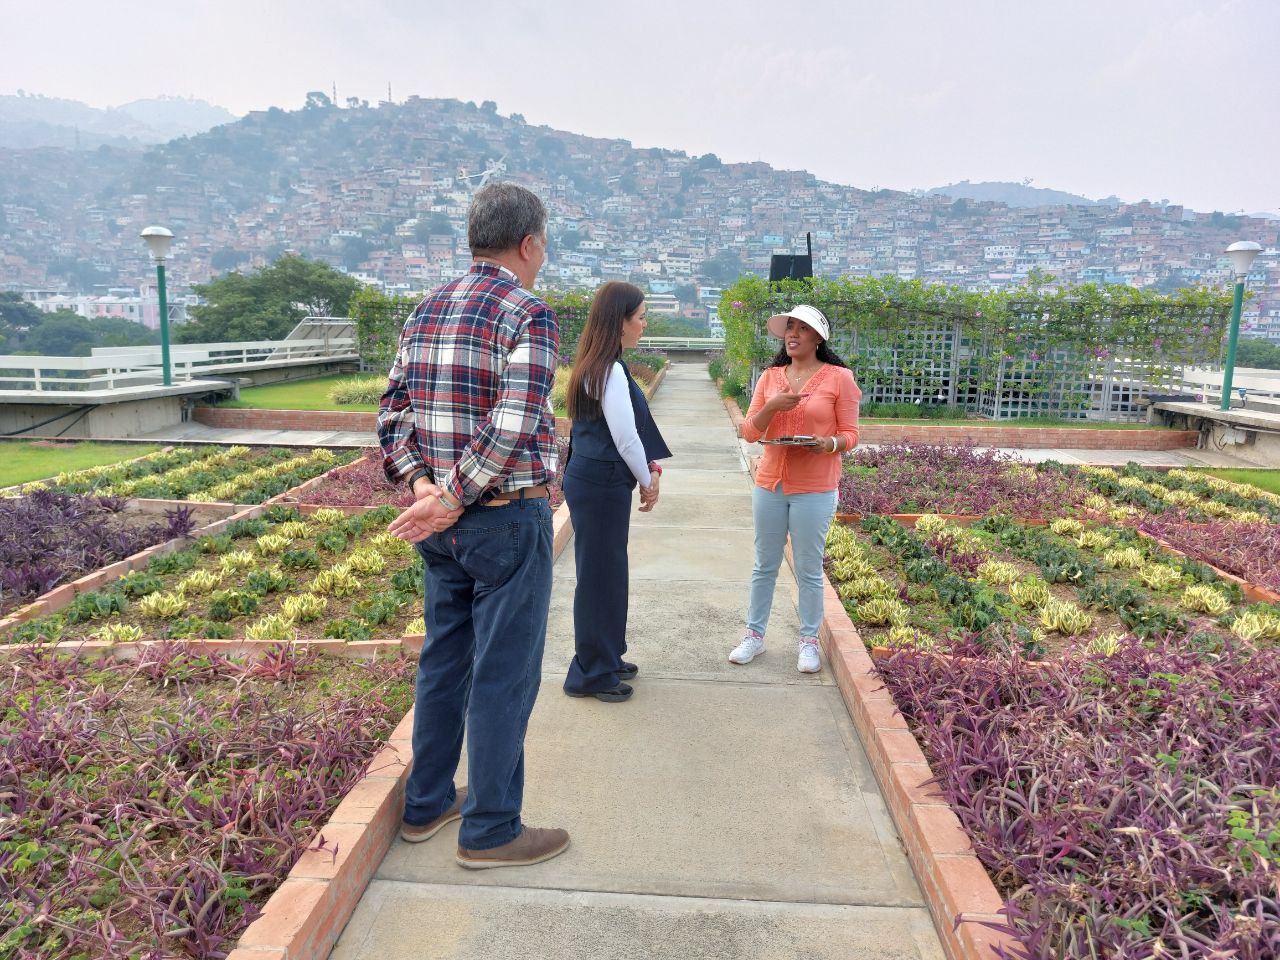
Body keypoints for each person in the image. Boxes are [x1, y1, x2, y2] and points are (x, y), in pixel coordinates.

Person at [378, 182, 569, 870]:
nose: (543, 254)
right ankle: (490, 829)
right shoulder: (529, 314)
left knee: (444, 662)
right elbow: (516, 421)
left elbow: (391, 415)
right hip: (503, 519)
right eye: (543, 242)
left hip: (440, 526)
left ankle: (428, 802)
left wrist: (425, 487)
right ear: (528, 243)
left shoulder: (425, 309)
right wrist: (454, 494)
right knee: (504, 674)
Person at [729, 304, 860, 674]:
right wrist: (772, 407)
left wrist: (829, 444)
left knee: (808, 567)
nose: (793, 334)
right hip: (770, 482)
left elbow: (851, 433)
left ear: (818, 337)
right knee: (764, 563)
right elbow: (750, 432)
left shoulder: (839, 378)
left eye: (802, 328)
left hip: (815, 486)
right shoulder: (771, 378)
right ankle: (753, 636)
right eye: (790, 327)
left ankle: (808, 642)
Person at [561, 282, 671, 703]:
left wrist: (648, 471)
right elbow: (625, 439)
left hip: (595, 479)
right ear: (619, 322)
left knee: (606, 573)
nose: (644, 324)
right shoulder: (609, 369)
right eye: (640, 317)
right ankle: (589, 672)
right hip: (601, 481)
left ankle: (605, 656)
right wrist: (648, 479)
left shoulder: (598, 363)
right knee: (600, 578)